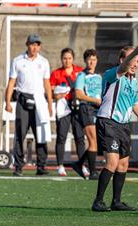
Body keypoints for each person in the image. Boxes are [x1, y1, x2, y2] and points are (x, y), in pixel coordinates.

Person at [92, 39, 138, 212]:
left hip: (123, 125)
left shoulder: (132, 82)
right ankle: (98, 201)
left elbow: (134, 103)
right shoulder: (113, 74)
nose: (135, 64)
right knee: (112, 161)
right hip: (108, 122)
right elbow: (124, 67)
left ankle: (116, 201)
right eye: (133, 60)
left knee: (123, 165)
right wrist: (134, 54)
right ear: (123, 60)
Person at [5, 34, 53, 176]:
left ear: (39, 46)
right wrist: (8, 102)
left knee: (41, 133)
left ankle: (41, 167)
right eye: (32, 44)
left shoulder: (44, 62)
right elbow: (12, 82)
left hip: (39, 100)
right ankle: (18, 167)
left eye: (37, 44)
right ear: (27, 44)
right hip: (23, 100)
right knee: (20, 133)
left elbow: (47, 84)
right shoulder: (18, 61)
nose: (34, 47)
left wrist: (49, 103)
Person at [50, 48, 86, 178]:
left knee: (80, 137)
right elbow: (51, 91)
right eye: (65, 58)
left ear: (73, 59)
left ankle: (82, 165)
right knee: (61, 136)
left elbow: (84, 88)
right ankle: (60, 165)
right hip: (63, 108)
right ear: (61, 59)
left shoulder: (80, 72)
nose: (67, 61)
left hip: (77, 107)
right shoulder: (56, 73)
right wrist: (57, 95)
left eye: (69, 58)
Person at [74, 49, 102, 180]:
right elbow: (79, 94)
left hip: (97, 109)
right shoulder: (81, 75)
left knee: (95, 142)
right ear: (85, 60)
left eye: (94, 59)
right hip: (86, 108)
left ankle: (79, 164)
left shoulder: (99, 76)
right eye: (89, 59)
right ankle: (93, 172)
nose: (92, 62)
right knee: (92, 141)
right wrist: (95, 100)